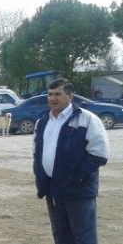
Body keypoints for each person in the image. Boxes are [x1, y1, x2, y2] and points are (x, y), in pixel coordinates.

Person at [33, 78, 110, 244]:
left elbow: (99, 153)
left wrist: (77, 178)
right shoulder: (43, 122)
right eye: (50, 94)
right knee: (61, 236)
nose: (52, 98)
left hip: (78, 192)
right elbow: (37, 153)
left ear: (70, 96)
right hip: (53, 190)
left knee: (84, 238)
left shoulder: (86, 119)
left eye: (58, 94)